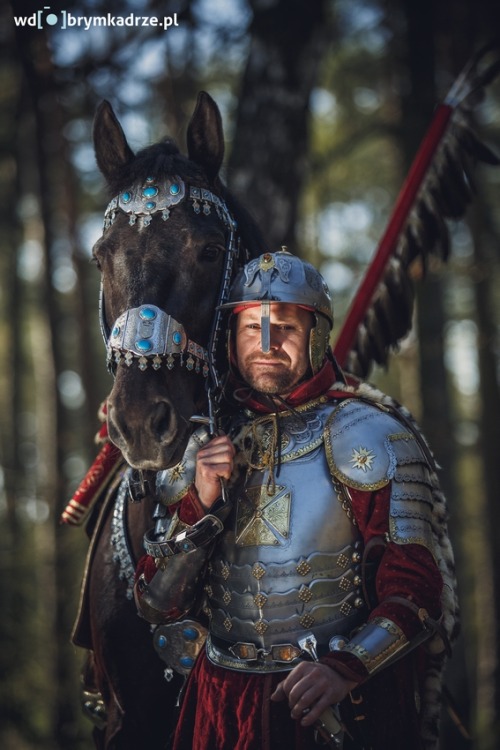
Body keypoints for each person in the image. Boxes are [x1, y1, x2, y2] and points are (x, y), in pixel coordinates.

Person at [134, 250, 457, 750]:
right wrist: (200, 506)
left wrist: (346, 669)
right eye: (249, 328)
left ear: (316, 336)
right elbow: (156, 603)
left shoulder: (369, 436)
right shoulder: (202, 447)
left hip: (335, 710)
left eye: (283, 326)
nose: (266, 345)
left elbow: (416, 591)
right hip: (218, 705)